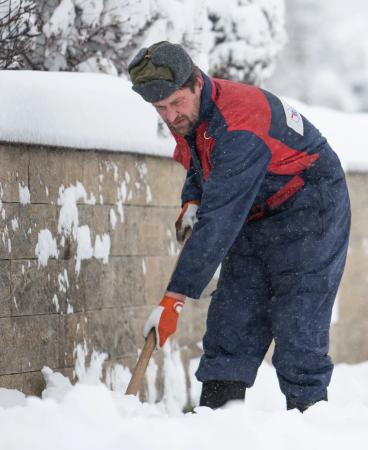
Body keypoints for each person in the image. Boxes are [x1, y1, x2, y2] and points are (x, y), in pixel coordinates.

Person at [128, 41, 351, 412]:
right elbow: (202, 161)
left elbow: (219, 221)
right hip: (257, 210)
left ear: (197, 82)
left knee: (298, 327)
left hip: (311, 208)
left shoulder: (240, 124)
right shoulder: (191, 113)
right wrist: (192, 199)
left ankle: (308, 424)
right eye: (160, 108)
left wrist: (176, 297)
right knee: (232, 323)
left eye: (176, 103)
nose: (170, 115)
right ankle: (217, 427)